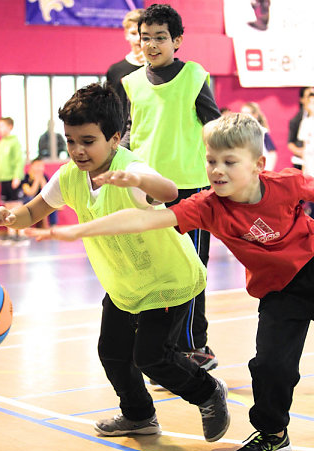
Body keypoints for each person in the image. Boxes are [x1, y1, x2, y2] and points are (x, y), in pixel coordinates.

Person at [30, 112, 314, 451]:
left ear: (258, 164)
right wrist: (78, 230)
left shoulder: (288, 183)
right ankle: (273, 435)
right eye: (211, 161)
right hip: (279, 291)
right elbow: (145, 218)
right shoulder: (208, 207)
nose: (217, 170)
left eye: (229, 162)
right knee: (271, 366)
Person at [0, 82, 230, 444]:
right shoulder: (69, 176)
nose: (77, 150)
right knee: (113, 353)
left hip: (167, 280)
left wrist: (139, 177)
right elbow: (33, 210)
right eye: (71, 141)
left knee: (152, 357)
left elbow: (167, 191)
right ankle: (139, 416)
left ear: (115, 138)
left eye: (87, 141)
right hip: (124, 286)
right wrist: (10, 218)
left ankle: (208, 392)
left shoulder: (130, 169)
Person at [121, 3, 221, 370]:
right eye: (145, 38)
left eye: (160, 37)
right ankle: (156, 348)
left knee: (192, 270)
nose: (151, 45)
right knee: (151, 270)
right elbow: (133, 132)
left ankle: (195, 346)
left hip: (190, 191)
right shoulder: (131, 83)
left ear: (177, 40)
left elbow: (215, 127)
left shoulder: (195, 76)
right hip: (145, 192)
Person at [106, 8, 145, 136]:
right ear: (126, 35)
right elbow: (110, 109)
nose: (138, 38)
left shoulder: (157, 69)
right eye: (134, 33)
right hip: (122, 136)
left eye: (142, 33)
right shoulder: (115, 71)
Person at [0, 116, 25, 243]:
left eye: (2, 126)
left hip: (13, 178)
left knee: (17, 205)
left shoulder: (15, 142)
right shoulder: (1, 144)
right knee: (7, 206)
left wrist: (17, 176)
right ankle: (11, 233)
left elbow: (19, 160)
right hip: (4, 179)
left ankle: (22, 233)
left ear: (10, 127)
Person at [241, 101, 277, 171]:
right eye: (242, 113)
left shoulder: (263, 132)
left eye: (247, 114)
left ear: (255, 115)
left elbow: (272, 153)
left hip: (262, 169)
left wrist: (269, 169)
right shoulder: (241, 133)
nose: (244, 116)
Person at [22, 157, 58, 227]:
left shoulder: (44, 176)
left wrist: (41, 180)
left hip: (41, 199)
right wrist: (37, 180)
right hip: (29, 200)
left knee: (52, 202)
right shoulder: (26, 177)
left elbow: (48, 191)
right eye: (37, 166)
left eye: (41, 166)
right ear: (32, 166)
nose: (40, 168)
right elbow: (30, 193)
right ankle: (27, 227)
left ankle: (52, 225)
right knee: (29, 200)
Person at [287, 86, 314, 170]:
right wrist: (301, 153)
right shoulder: (299, 120)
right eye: (309, 97)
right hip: (306, 160)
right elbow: (291, 142)